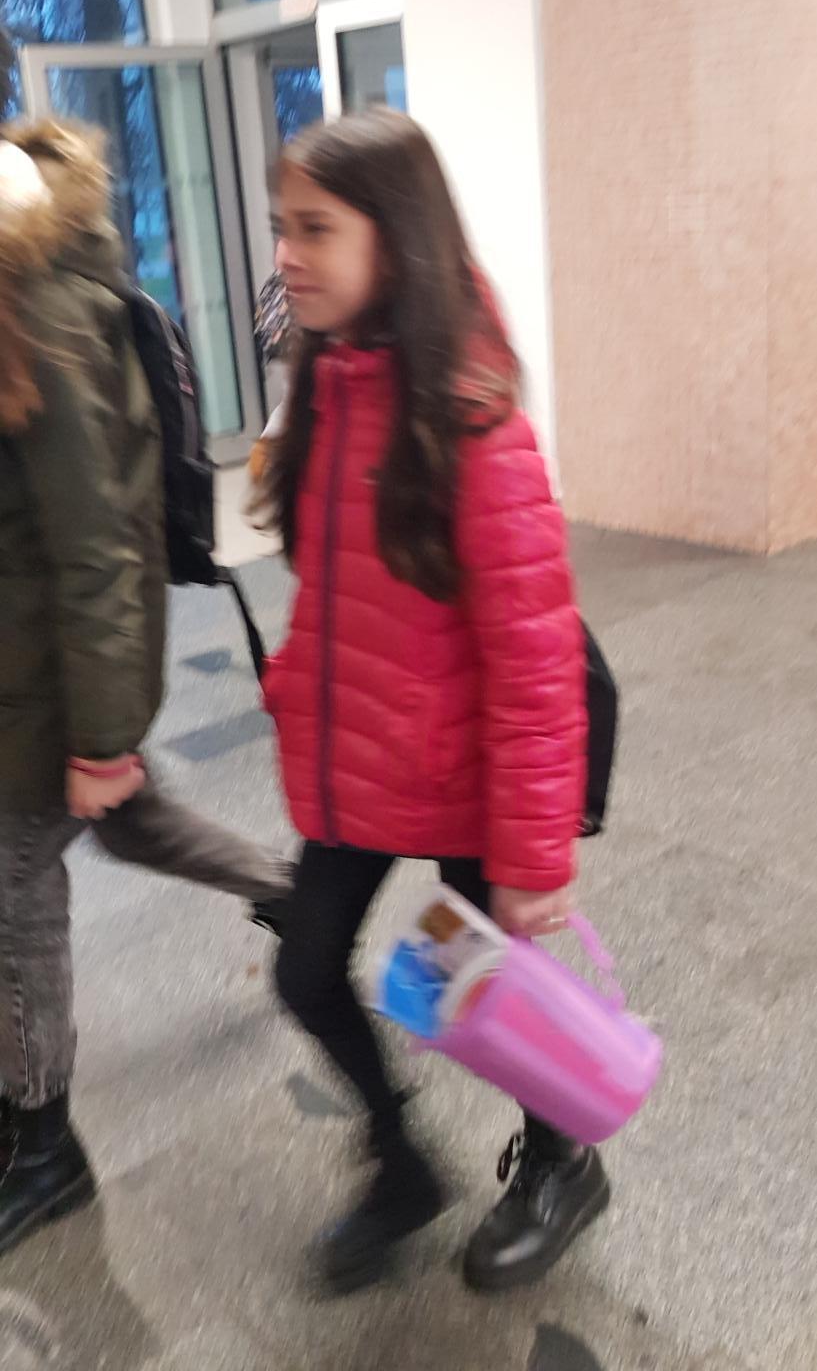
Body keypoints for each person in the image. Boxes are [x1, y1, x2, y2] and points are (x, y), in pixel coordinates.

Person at [253, 109, 611, 1295]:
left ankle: (560, 1161)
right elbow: (330, 591)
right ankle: (401, 1163)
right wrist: (295, 691)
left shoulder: (471, 413)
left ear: (394, 240)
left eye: (315, 230)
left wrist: (531, 855)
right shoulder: (328, 380)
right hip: (364, 756)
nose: (287, 256)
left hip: (463, 778)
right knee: (306, 971)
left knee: (477, 990)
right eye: (281, 227)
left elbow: (536, 657)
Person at [0, 36, 290, 1257]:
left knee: (16, 895)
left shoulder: (39, 310)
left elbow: (99, 547)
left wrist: (105, 734)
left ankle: (43, 1142)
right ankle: (289, 892)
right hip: (36, 672)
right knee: (130, 822)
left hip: (51, 682)